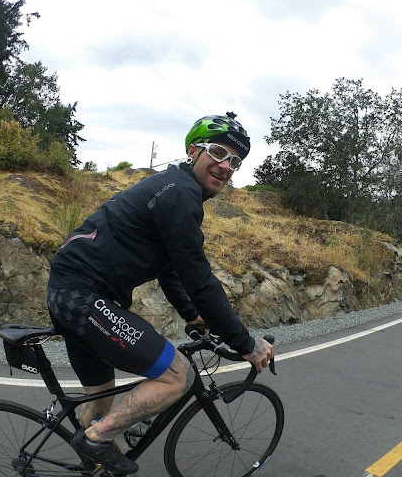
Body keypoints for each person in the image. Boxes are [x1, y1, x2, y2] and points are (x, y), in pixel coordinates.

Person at [47, 112, 274, 475]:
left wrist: (193, 316)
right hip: (84, 296)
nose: (225, 165)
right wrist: (245, 343)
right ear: (192, 151)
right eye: (217, 152)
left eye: (235, 161)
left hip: (71, 292)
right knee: (178, 376)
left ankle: (92, 464)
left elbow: (170, 269)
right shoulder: (182, 194)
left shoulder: (173, 188)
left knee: (100, 394)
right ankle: (96, 440)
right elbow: (199, 278)